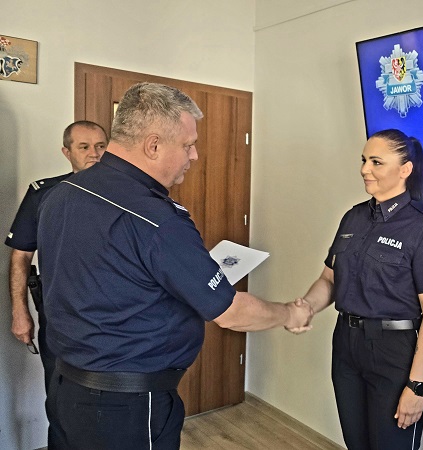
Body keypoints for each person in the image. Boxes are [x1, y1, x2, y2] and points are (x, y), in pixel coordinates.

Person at [36, 82, 314, 450]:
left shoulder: (61, 194)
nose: (194, 155)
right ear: (153, 145)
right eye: (187, 144)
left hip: (65, 388)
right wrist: (289, 313)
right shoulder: (156, 219)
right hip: (126, 407)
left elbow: (105, 274)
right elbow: (231, 313)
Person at [291, 129, 423, 450]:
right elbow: (329, 281)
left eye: (376, 162)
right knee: (356, 443)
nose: (365, 169)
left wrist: (417, 386)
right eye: (364, 160)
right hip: (347, 346)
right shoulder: (353, 218)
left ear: (405, 169)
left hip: (394, 353)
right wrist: (306, 306)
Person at [6, 120, 108, 396]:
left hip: (114, 317)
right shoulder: (44, 194)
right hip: (60, 317)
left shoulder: (127, 194)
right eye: (84, 147)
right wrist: (19, 311)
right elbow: (21, 255)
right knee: (59, 394)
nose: (94, 153)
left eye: (100, 146)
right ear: (67, 152)